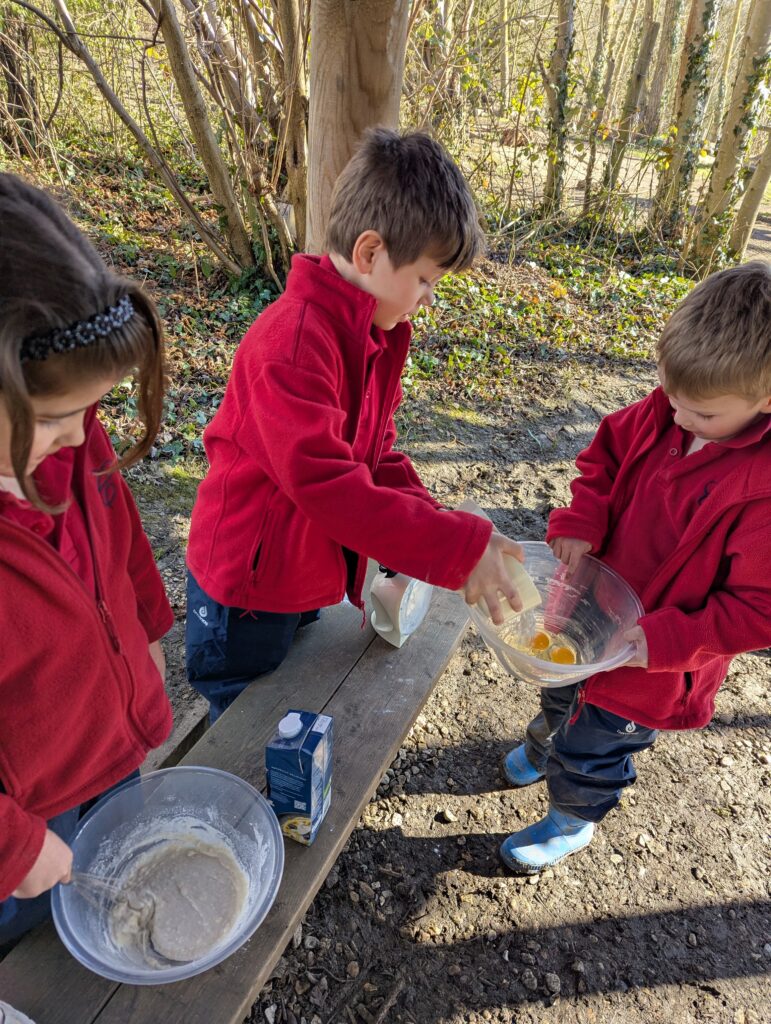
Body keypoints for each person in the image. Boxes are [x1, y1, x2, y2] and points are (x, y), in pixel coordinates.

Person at [185, 128, 524, 722]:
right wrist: (454, 549)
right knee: (243, 716)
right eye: (424, 280)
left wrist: (444, 526)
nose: (425, 299)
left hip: (300, 570)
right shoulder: (292, 345)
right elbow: (331, 487)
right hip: (246, 589)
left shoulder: (370, 335)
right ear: (369, 253)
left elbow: (374, 456)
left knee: (292, 690)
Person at [499, 260, 771, 874]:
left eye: (701, 414)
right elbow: (600, 463)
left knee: (597, 743)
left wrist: (669, 639)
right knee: (560, 690)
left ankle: (573, 818)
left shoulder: (762, 492)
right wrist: (579, 523)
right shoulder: (660, 412)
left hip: (650, 658)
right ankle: (545, 746)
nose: (678, 420)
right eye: (671, 397)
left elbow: (758, 610)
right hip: (583, 611)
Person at [0, 173, 173, 948]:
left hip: (105, 749)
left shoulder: (75, 431)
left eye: (93, 411)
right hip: (22, 815)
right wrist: (13, 845)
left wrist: (149, 639)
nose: (81, 436)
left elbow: (122, 540)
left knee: (106, 913)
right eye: (54, 418)